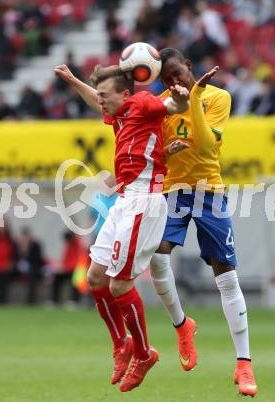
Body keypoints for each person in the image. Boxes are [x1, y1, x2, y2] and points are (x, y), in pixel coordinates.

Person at [54, 62, 189, 392]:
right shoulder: (119, 113)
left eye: (105, 95)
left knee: (118, 286)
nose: (100, 101)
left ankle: (144, 353)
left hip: (144, 202)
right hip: (125, 199)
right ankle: (121, 345)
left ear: (125, 94)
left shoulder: (141, 103)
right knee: (95, 278)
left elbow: (172, 106)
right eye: (99, 95)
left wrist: (183, 98)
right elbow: (94, 97)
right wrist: (72, 80)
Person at [154, 48, 258, 397]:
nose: (173, 83)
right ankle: (183, 326)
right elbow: (157, 151)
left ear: (188, 67)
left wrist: (194, 97)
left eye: (177, 74)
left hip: (209, 193)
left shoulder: (216, 96)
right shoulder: (162, 105)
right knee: (157, 256)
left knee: (225, 276)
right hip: (173, 192)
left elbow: (204, 142)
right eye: (166, 80)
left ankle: (244, 364)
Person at [48, 231, 86, 306]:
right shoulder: (68, 245)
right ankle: (54, 300)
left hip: (77, 269)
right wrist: (61, 267)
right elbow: (65, 259)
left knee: (75, 279)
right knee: (56, 278)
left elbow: (78, 259)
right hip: (68, 269)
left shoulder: (78, 244)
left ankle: (75, 300)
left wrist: (66, 267)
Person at [17, 228, 44, 305]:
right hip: (21, 269)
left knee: (32, 277)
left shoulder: (35, 246)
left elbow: (38, 260)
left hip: (34, 269)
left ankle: (30, 301)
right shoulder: (19, 246)